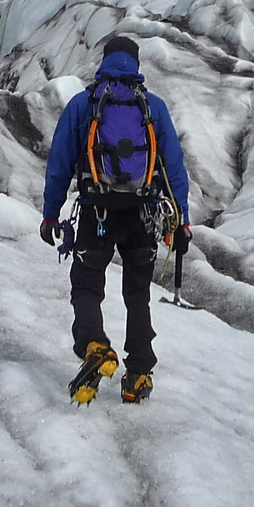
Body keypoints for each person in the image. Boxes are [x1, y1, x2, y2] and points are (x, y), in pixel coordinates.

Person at [40, 35, 190, 404]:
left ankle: (95, 346)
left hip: (97, 212)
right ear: (136, 65)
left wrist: (50, 214)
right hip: (143, 214)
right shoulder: (152, 108)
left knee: (87, 285)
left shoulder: (84, 105)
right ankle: (138, 373)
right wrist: (180, 221)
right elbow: (173, 168)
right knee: (137, 294)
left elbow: (59, 163)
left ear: (105, 60)